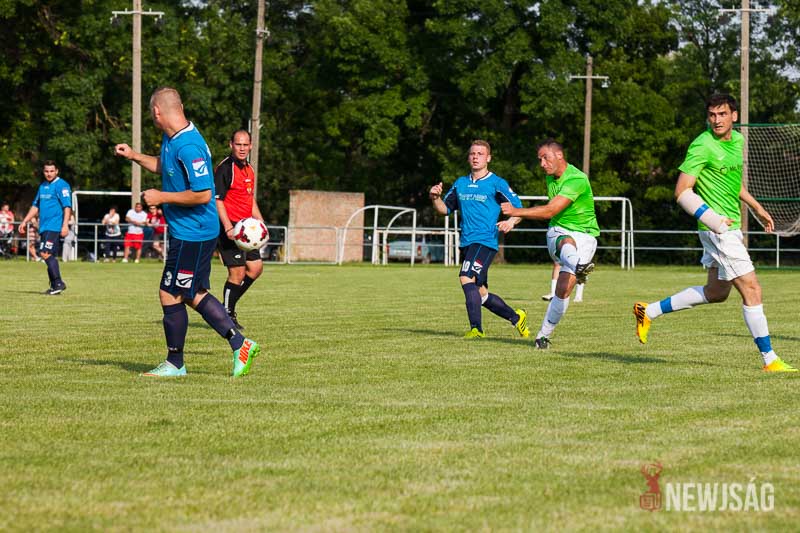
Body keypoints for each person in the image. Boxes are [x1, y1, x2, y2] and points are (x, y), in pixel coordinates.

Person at [632, 93, 796, 372]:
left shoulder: (738, 141)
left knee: (717, 292)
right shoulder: (702, 145)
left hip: (729, 228)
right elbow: (682, 191)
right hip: (719, 231)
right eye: (712, 115)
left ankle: (649, 311)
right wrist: (714, 221)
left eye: (722, 114)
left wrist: (757, 207)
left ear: (734, 116)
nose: (717, 120)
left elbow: (733, 184)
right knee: (752, 288)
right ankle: (770, 359)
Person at [114, 86, 260, 378]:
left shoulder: (189, 146)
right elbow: (166, 167)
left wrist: (161, 197)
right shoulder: (172, 139)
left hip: (194, 233)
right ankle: (239, 344)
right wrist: (134, 156)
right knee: (192, 293)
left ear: (157, 112)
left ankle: (176, 363)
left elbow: (204, 193)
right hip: (187, 231)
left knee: (170, 293)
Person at [501, 139, 599, 349]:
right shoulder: (550, 177)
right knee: (566, 241)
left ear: (559, 156)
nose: (542, 164)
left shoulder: (576, 179)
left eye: (545, 158)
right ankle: (579, 266)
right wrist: (515, 218)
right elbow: (553, 214)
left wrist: (516, 212)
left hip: (587, 237)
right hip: (559, 231)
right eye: (540, 160)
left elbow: (550, 210)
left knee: (563, 289)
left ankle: (542, 336)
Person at [429, 140, 529, 339]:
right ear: (468, 157)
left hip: (485, 242)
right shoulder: (460, 183)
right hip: (466, 242)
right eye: (472, 153)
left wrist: (511, 222)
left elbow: (518, 209)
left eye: (480, 154)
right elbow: (445, 209)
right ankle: (517, 318)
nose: (476, 157)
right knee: (480, 292)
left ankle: (476, 329)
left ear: (488, 158)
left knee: (466, 277)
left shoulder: (497, 183)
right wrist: (435, 198)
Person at [214, 129, 265, 329]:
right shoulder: (225, 168)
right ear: (231, 145)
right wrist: (228, 227)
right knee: (237, 273)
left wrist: (261, 222)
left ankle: (225, 307)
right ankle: (226, 316)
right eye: (238, 144)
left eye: (245, 145)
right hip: (230, 229)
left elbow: (249, 199)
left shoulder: (249, 169)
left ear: (251, 146)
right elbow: (218, 200)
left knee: (255, 268)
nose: (242, 148)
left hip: (247, 229)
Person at [18, 161, 72, 294]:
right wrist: (25, 221)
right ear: (43, 172)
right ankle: (54, 286)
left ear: (57, 171)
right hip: (43, 227)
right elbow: (35, 206)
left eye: (52, 171)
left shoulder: (62, 185)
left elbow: (67, 206)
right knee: (49, 255)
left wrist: (65, 225)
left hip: (54, 226)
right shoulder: (42, 186)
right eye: (46, 171)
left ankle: (58, 283)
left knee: (44, 253)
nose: (49, 174)